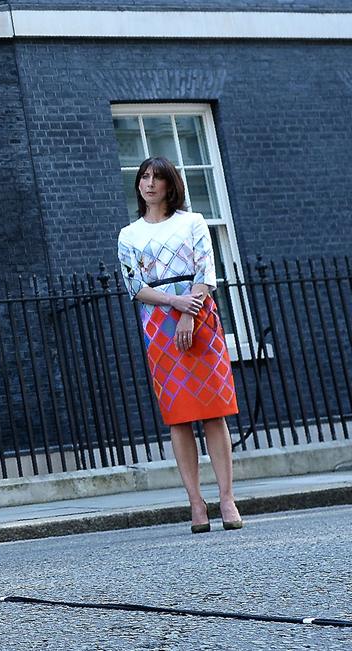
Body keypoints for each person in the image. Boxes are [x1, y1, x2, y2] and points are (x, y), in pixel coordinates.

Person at [117, 156, 243, 534]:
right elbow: (135, 287)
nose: (149, 183)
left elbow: (206, 271)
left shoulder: (193, 222)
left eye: (157, 178)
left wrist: (190, 310)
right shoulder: (129, 235)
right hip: (159, 323)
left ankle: (226, 498)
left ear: (171, 185)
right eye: (144, 177)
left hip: (200, 314)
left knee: (213, 411)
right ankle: (195, 503)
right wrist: (174, 304)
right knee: (178, 415)